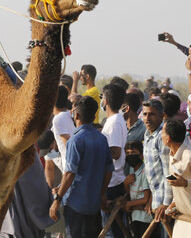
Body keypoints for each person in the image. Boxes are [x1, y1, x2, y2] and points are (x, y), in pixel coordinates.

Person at [48, 96, 114, 238]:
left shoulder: (75, 140)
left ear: (76, 115)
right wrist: (102, 194)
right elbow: (109, 170)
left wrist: (57, 200)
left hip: (75, 204)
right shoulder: (101, 138)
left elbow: (70, 174)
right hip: (94, 204)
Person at [100, 83, 128, 238]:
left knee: (112, 231)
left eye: (102, 97)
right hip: (112, 180)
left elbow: (116, 152)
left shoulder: (114, 122)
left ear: (106, 100)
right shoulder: (114, 120)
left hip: (113, 181)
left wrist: (96, 151)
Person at [141, 98, 173, 225]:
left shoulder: (162, 137)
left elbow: (168, 172)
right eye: (145, 114)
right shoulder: (147, 134)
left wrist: (166, 203)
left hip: (165, 202)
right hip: (155, 199)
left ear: (162, 116)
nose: (147, 118)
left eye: (151, 114)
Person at [123, 141, 153, 238]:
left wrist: (129, 204)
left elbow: (145, 199)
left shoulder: (144, 171)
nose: (130, 155)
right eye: (127, 153)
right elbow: (131, 193)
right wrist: (126, 184)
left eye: (133, 153)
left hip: (145, 218)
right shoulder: (132, 170)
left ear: (141, 155)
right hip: (135, 216)